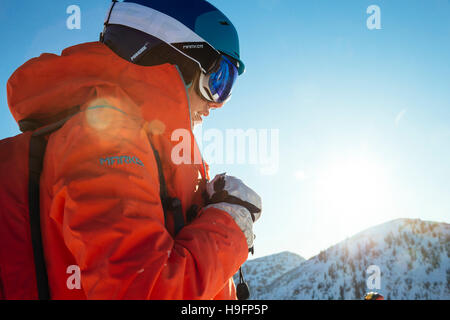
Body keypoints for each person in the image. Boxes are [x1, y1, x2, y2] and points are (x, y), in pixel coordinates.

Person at [0, 0, 261, 300]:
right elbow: (146, 292)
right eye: (219, 79)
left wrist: (208, 211)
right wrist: (228, 226)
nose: (217, 103)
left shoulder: (146, 149)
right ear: (175, 55)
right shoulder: (102, 139)